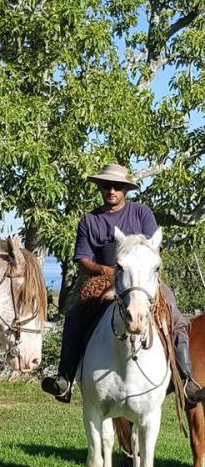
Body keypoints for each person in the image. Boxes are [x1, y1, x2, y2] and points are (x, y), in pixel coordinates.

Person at [41, 163, 203, 406]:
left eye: (117, 186)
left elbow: (153, 247)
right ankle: (64, 379)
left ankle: (186, 379)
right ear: (101, 188)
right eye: (107, 186)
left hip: (143, 279)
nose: (112, 190)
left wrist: (140, 271)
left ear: (126, 189)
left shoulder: (141, 213)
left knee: (175, 315)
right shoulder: (89, 221)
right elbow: (83, 259)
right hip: (103, 279)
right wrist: (106, 270)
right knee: (75, 316)